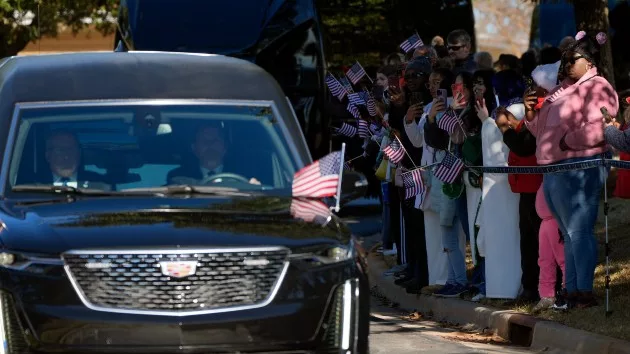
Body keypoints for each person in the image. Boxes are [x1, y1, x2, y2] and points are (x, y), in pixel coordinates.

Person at [524, 31, 619, 309]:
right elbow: (542, 131)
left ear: (589, 61)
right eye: (563, 59)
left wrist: (568, 141)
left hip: (580, 166)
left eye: (572, 59)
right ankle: (573, 289)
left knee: (579, 231)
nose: (565, 64)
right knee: (567, 233)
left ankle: (583, 292)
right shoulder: (558, 89)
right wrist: (531, 114)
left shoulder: (599, 86)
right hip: (553, 167)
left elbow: (604, 125)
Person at [167, 124, 260, 185]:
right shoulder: (178, 177)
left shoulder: (243, 176)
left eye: (216, 140)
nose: (210, 144)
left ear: (225, 147)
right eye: (204, 140)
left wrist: (256, 190)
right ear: (194, 148)